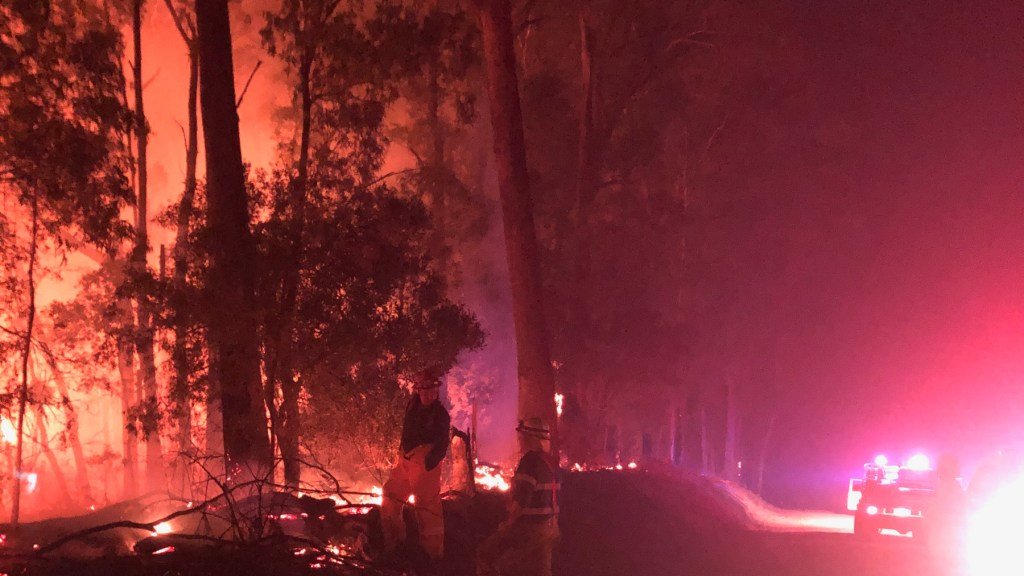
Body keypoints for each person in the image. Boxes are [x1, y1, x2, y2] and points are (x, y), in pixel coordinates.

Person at [381, 368, 451, 560]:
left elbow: (442, 444)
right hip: (405, 459)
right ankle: (394, 544)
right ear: (418, 390)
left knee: (427, 508)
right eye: (426, 390)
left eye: (433, 391)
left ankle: (432, 556)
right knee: (391, 495)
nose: (430, 394)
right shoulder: (412, 405)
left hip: (425, 464)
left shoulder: (441, 415)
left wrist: (429, 462)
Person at [476, 417, 560, 576]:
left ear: (532, 439)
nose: (519, 440)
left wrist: (507, 525)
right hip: (550, 528)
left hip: (529, 530)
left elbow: (522, 501)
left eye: (523, 437)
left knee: (485, 555)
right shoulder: (551, 463)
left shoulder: (529, 462)